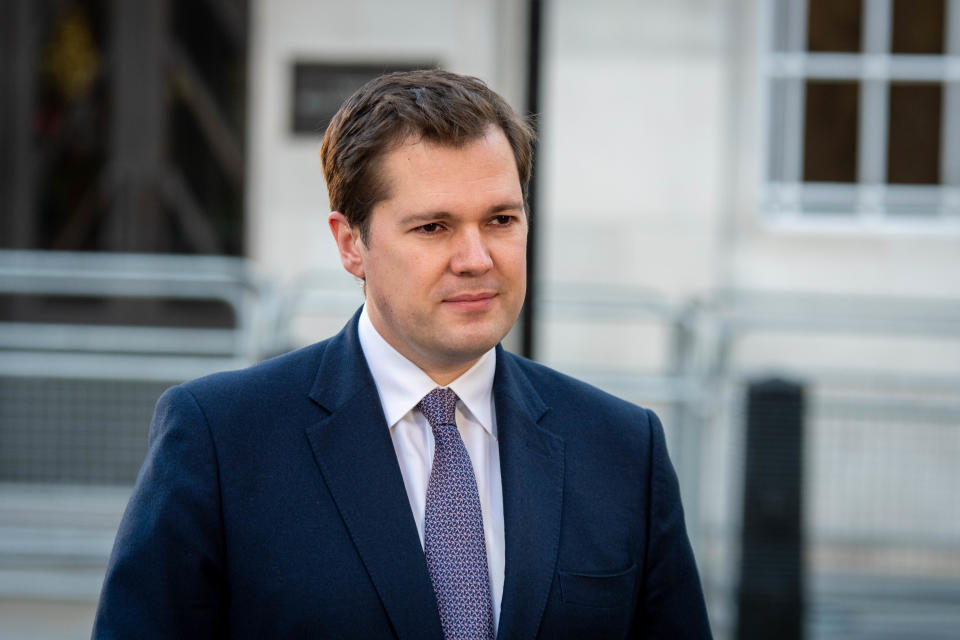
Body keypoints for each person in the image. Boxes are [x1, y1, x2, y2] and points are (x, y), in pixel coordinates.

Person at [93, 69, 712, 639]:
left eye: (500, 219)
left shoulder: (624, 449)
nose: (476, 258)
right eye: (433, 227)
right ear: (350, 244)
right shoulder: (222, 439)